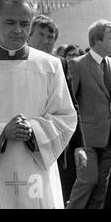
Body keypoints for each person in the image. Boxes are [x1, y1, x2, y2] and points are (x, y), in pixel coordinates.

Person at [0, 0, 77, 209]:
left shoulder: (50, 66)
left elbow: (65, 117)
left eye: (25, 24)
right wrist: (1, 131)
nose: (18, 30)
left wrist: (32, 129)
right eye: (10, 22)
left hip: (34, 166)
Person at [28, 14, 87, 206]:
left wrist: (79, 145)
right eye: (41, 35)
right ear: (29, 35)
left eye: (50, 37)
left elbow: (70, 105)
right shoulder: (13, 61)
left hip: (54, 142)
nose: (45, 41)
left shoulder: (59, 64)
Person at [66, 20, 111, 209]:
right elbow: (70, 102)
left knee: (102, 188)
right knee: (87, 181)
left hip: (109, 138)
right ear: (97, 40)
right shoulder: (77, 65)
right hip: (87, 138)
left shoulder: (110, 63)